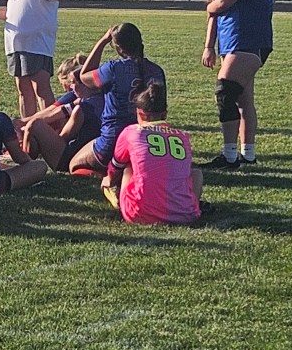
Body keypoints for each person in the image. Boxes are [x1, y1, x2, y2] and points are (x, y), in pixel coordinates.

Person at [202, 0, 274, 169]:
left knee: (226, 93)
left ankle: (230, 156)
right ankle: (248, 156)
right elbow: (215, 13)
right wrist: (208, 45)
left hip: (248, 40)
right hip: (232, 41)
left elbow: (220, 5)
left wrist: (211, 5)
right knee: (243, 101)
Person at [68, 23, 166, 176]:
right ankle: (123, 171)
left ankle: (108, 175)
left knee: (73, 165)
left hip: (113, 139)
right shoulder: (157, 71)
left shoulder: (114, 69)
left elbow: (84, 76)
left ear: (119, 49)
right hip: (147, 143)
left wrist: (103, 41)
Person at [101, 83, 203, 226]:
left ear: (139, 113)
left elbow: (115, 167)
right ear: (165, 114)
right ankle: (188, 204)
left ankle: (122, 201)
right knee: (196, 173)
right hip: (185, 215)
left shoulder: (131, 132)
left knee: (128, 168)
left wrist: (109, 181)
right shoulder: (183, 136)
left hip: (139, 214)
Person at [22, 62, 104, 173]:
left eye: (73, 83)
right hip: (91, 153)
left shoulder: (81, 109)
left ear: (85, 85)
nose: (71, 86)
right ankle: (28, 157)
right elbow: (56, 111)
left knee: (34, 125)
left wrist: (47, 136)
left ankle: (25, 161)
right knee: (37, 126)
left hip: (69, 158)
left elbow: (64, 137)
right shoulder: (99, 100)